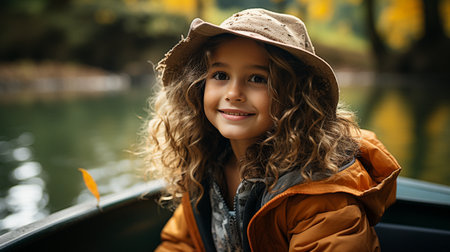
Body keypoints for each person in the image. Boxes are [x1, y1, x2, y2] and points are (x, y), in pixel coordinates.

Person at [142, 8, 401, 252]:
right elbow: (180, 243)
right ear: (198, 86)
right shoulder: (205, 165)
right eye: (220, 75)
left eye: (257, 79)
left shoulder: (320, 191)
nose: (233, 94)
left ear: (296, 97)